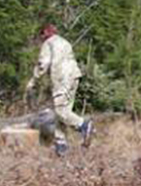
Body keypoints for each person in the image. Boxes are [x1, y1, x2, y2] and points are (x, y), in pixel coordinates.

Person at [25, 24, 93, 155]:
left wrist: (33, 81)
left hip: (62, 78)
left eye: (41, 34)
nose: (41, 37)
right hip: (74, 77)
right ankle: (61, 144)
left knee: (60, 111)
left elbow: (42, 64)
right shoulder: (65, 42)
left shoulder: (48, 43)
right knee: (62, 112)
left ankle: (83, 125)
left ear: (45, 33)